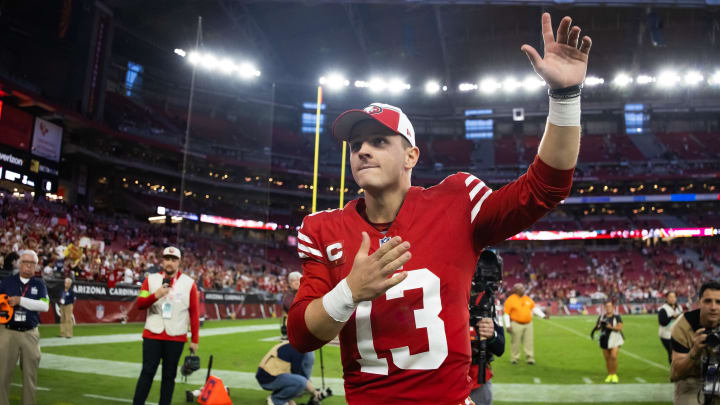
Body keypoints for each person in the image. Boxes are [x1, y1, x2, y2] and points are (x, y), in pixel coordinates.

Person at [287, 12, 592, 404]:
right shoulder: (322, 228)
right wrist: (351, 290)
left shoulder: (456, 201)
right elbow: (301, 334)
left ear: (411, 156)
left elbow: (545, 187)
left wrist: (565, 96)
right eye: (356, 144)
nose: (362, 150)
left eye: (380, 141)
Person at [133, 246, 200, 405]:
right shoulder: (149, 280)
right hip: (152, 335)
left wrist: (195, 339)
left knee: (169, 377)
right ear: (163, 260)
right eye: (167, 259)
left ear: (179, 262)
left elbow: (194, 314)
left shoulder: (189, 284)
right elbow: (140, 304)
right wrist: (157, 294)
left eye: (173, 259)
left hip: (176, 337)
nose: (170, 263)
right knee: (147, 373)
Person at [0, 249, 50, 405]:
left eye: (32, 263)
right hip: (8, 331)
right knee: (2, 375)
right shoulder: (7, 281)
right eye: (25, 262)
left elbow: (45, 306)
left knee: (30, 376)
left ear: (36, 265)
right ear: (19, 264)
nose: (28, 266)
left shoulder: (39, 283)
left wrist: (20, 300)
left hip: (30, 333)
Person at [671, 281, 720, 405]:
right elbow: (676, 374)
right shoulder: (684, 325)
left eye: (719, 302)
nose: (713, 307)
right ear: (699, 303)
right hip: (693, 379)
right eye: (708, 301)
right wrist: (694, 351)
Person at [256, 341, 321, 405]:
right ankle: (275, 400)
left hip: (265, 375)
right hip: (269, 379)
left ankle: (277, 397)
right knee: (301, 382)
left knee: (298, 381)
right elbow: (300, 380)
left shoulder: (289, 344)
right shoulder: (299, 350)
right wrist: (314, 392)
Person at [503, 283, 548, 365]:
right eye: (521, 288)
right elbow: (506, 314)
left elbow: (534, 308)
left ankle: (530, 358)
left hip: (528, 324)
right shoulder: (510, 300)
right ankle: (514, 358)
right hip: (516, 323)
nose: (523, 289)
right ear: (515, 290)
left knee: (529, 341)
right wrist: (508, 325)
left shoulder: (527, 298)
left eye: (523, 288)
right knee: (515, 342)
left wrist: (543, 315)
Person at [469, 317, 505, 405]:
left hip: (477, 376)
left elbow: (500, 348)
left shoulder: (485, 306)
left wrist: (491, 335)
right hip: (445, 376)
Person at [591, 301, 624, 383]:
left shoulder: (617, 317)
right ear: (605, 308)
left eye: (610, 306)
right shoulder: (601, 317)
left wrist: (611, 327)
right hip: (604, 339)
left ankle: (614, 374)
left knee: (613, 356)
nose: (608, 308)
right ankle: (610, 374)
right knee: (607, 358)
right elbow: (598, 327)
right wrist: (598, 327)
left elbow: (619, 328)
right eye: (607, 306)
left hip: (615, 338)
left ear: (613, 307)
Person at [659, 291, 683, 364]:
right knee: (672, 353)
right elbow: (662, 322)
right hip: (666, 335)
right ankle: (674, 370)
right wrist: (672, 317)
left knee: (678, 353)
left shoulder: (679, 307)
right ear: (667, 298)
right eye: (670, 297)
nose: (672, 299)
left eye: (674, 297)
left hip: (677, 335)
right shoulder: (663, 309)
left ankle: (677, 368)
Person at [281, 272, 302, 340]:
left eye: (298, 280)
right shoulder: (287, 296)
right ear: (290, 284)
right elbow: (287, 310)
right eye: (293, 281)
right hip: (292, 327)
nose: (296, 282)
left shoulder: (307, 293)